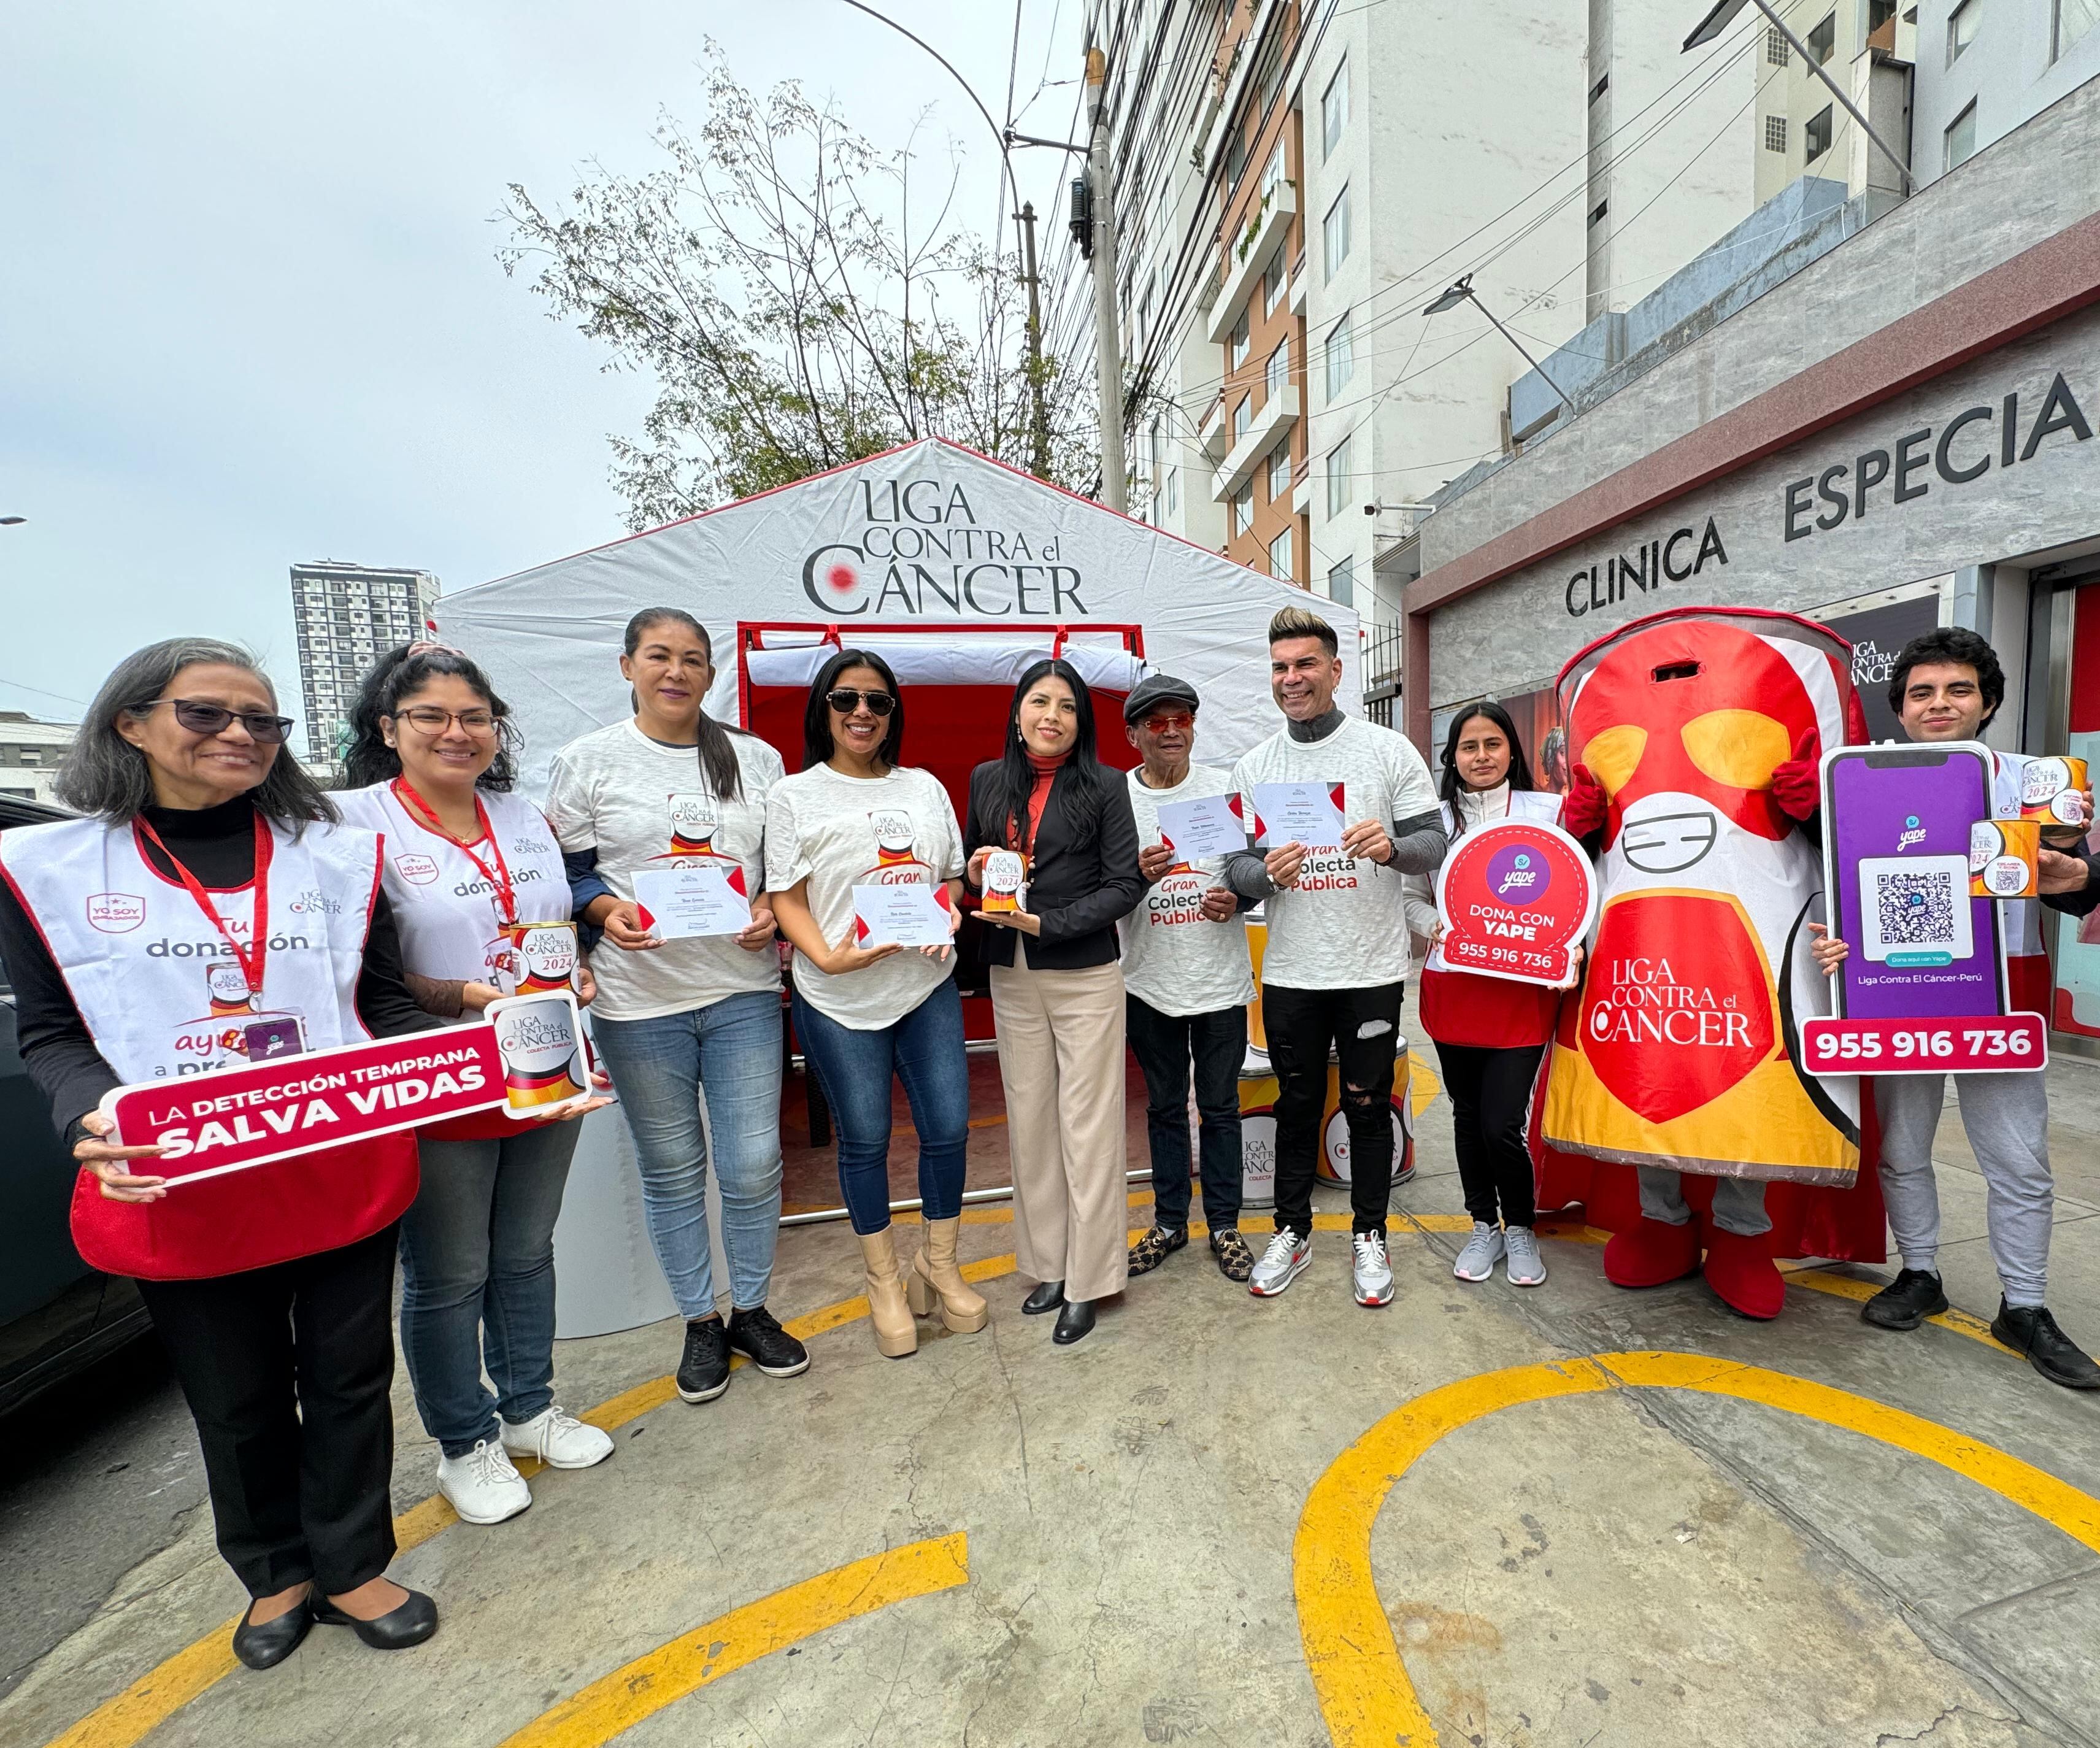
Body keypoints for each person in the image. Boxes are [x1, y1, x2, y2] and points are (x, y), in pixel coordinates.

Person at [0, 639, 440, 1668]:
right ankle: (273, 1570)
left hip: (337, 1164)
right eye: (207, 713)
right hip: (182, 1178)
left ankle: (352, 1559)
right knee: (232, 1394)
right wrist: (87, 1121)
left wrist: (481, 1057)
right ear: (132, 723)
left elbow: (374, 1001)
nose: (241, 734)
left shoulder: (332, 853)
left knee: (347, 1373)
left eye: (264, 720)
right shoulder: (53, 869)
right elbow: (54, 1037)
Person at [335, 644, 614, 1527]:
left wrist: (577, 970)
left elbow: (551, 923)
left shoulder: (522, 815)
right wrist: (462, 996)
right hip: (439, 1067)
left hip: (544, 1055)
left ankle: (529, 1407)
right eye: (431, 716)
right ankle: (465, 1443)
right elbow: (356, 973)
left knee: (526, 1249)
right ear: (389, 728)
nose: (456, 733)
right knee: (449, 1271)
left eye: (474, 717)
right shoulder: (350, 824)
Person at [1809, 626, 2099, 1389]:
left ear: (1989, 701)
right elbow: (1840, 889)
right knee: (1904, 1147)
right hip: (1896, 995)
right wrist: (1836, 948)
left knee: (2019, 1157)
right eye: (1922, 693)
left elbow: (2085, 873)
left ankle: (2026, 1304)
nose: (1940, 704)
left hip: (2002, 994)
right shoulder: (1858, 780)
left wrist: (2074, 875)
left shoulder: (2036, 780)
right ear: (1900, 710)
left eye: (1958, 689)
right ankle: (1921, 1273)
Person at [545, 608, 808, 1406]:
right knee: (671, 1170)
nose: (676, 671)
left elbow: (778, 868)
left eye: (692, 659)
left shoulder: (754, 760)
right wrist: (599, 913)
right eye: (658, 656)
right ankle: (699, 1320)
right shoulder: (588, 761)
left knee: (754, 1162)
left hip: (740, 991)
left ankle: (752, 1309)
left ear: (710, 672)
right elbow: (567, 872)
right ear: (626, 665)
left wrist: (767, 905)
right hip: (637, 1003)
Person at [1223, 607, 1444, 1307]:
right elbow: (1235, 867)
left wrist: (1394, 849)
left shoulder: (1387, 751)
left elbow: (1432, 841)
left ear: (1336, 671)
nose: (1293, 678)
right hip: (1292, 972)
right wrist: (1268, 875)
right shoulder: (1256, 764)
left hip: (1372, 969)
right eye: (1282, 667)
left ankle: (1369, 1233)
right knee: (1296, 1103)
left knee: (1368, 1105)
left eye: (1306, 664)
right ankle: (1292, 1229)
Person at [766, 649, 980, 1360]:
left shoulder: (923, 787)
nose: (862, 712)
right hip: (837, 993)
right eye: (845, 698)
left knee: (947, 1127)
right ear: (822, 708)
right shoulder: (794, 794)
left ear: (894, 714)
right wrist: (823, 956)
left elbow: (946, 878)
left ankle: (938, 1262)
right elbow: (786, 897)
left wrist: (948, 912)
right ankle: (884, 1278)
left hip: (922, 984)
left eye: (878, 701)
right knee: (865, 1138)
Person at [962, 658, 1144, 1345]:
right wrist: (979, 869)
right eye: (1039, 702)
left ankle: (1090, 1278)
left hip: (1082, 969)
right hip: (1010, 971)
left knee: (1088, 1125)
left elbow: (1125, 883)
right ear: (1017, 713)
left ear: (1081, 721)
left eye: (1067, 706)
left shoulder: (1105, 784)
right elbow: (970, 865)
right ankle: (1047, 1264)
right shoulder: (986, 779)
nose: (1052, 715)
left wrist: (1050, 924)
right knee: (1030, 1120)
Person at [1401, 703, 1565, 1287]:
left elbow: (1575, 892)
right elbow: (1409, 899)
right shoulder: (1433, 823)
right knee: (1468, 1117)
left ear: (1512, 751)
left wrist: (1569, 947)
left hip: (1520, 992)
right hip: (1453, 986)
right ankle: (1482, 1225)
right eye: (1468, 747)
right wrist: (1435, 927)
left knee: (1502, 1122)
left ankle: (1518, 1227)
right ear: (1451, 758)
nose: (1481, 757)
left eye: (1492, 744)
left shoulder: (1550, 812)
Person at [1116, 674, 1257, 1284]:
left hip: (1219, 978)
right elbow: (1100, 888)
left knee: (1221, 1108)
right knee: (1166, 1108)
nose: (1171, 730)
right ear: (1133, 734)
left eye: (1182, 719)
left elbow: (1250, 868)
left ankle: (1224, 1223)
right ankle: (1171, 1220)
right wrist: (1133, 873)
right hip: (1149, 980)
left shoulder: (1224, 788)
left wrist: (1240, 898)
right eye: (1157, 722)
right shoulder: (1114, 798)